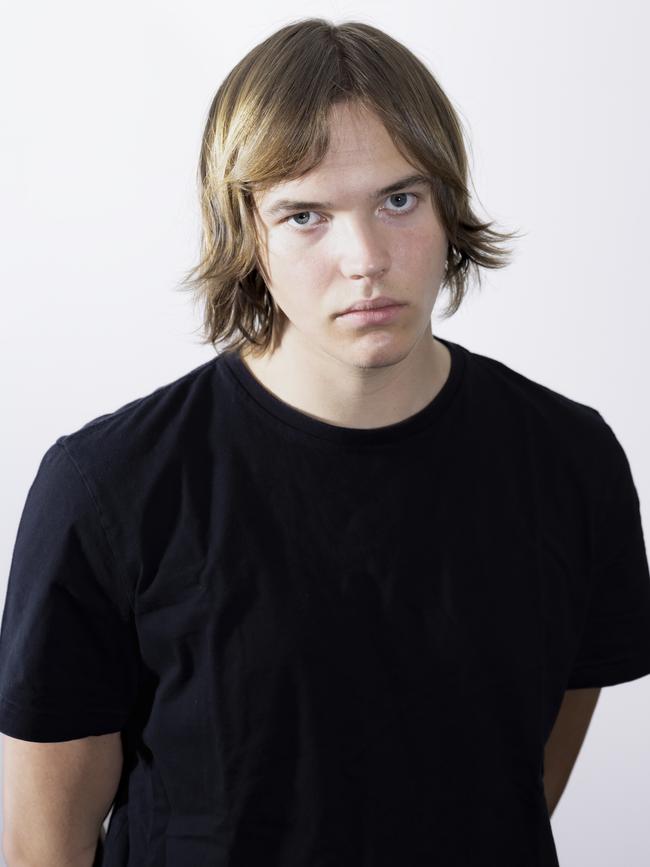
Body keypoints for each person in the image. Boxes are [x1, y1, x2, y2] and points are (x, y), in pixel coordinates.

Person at [1, 17, 649, 867]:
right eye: (306, 214)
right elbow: (45, 841)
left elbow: (521, 776)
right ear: (246, 231)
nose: (367, 257)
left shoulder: (572, 459)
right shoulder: (108, 487)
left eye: (399, 199)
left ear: (448, 201)